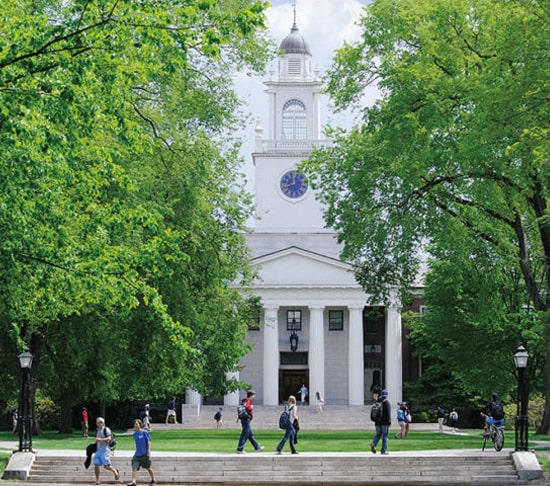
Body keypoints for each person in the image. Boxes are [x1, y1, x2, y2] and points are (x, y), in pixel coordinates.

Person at [127, 419, 156, 486]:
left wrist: (148, 451)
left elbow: (148, 441)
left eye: (137, 424)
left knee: (148, 467)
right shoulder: (134, 435)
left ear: (140, 425)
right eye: (135, 424)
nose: (135, 425)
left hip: (145, 453)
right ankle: (134, 481)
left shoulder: (144, 432)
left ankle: (153, 479)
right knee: (134, 467)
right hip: (137, 454)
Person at [93, 417, 119, 485]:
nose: (97, 424)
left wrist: (100, 440)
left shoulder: (106, 429)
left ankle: (115, 471)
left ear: (102, 423)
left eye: (98, 423)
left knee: (106, 466)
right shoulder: (97, 430)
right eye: (97, 423)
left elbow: (109, 438)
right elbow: (97, 438)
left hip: (105, 450)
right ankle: (97, 480)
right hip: (98, 450)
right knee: (96, 465)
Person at [370, 389, 391, 455]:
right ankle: (383, 451)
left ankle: (374, 443)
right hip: (385, 423)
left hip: (377, 422)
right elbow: (388, 414)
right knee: (385, 435)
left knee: (378, 435)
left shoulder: (377, 402)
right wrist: (389, 422)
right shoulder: (386, 402)